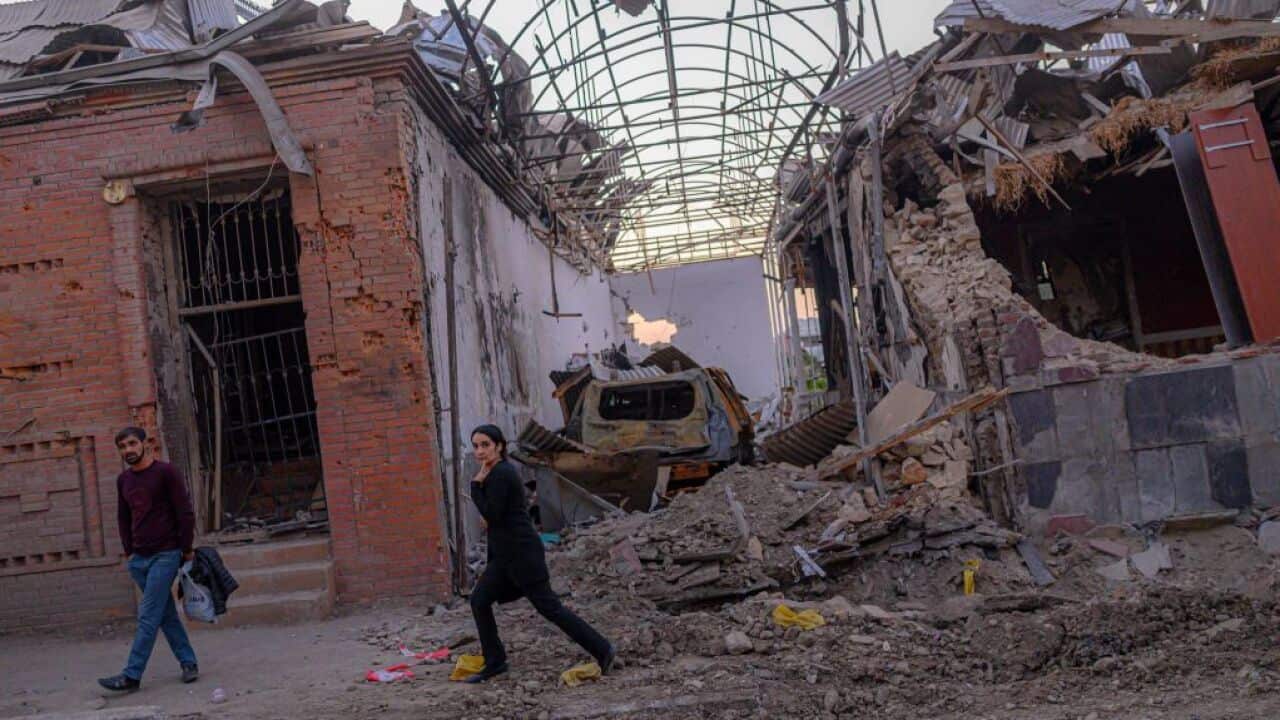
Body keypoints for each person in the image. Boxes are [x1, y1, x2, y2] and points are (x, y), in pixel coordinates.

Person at [465, 424, 614, 683]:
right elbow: (501, 513)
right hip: (506, 557)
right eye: (476, 446)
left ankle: (603, 649)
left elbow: (493, 512)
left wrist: (475, 487)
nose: (480, 451)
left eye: (485, 445)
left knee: (550, 608)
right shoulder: (496, 471)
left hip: (521, 555)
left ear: (499, 446)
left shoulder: (500, 473)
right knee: (479, 601)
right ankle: (495, 661)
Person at [98, 427, 199, 693]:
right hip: (139, 560)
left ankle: (131, 675)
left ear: (146, 443)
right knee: (165, 614)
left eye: (132, 443)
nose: (127, 450)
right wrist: (129, 553)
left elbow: (185, 513)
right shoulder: (124, 480)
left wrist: (186, 548)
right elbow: (123, 518)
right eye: (122, 446)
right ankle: (188, 663)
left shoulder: (166, 473)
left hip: (166, 554)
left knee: (148, 614)